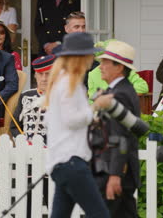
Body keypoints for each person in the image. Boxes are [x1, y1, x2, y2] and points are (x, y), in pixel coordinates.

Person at [43, 32, 109, 218]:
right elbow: (72, 119)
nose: (92, 59)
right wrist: (96, 106)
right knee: (100, 214)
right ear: (81, 57)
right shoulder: (70, 83)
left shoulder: (61, 82)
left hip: (61, 164)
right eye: (90, 54)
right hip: (72, 162)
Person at [91, 40, 141, 217]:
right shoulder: (122, 90)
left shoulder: (120, 94)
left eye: (105, 62)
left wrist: (115, 175)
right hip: (118, 171)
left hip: (116, 171)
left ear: (119, 67)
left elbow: (120, 138)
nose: (100, 66)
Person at [11, 54, 55, 142]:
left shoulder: (60, 97)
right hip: (27, 149)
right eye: (40, 74)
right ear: (35, 75)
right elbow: (14, 126)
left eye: (48, 74)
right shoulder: (25, 96)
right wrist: (22, 139)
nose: (44, 78)